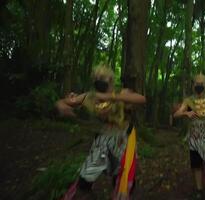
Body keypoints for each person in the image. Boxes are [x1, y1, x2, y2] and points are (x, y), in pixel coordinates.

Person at [56, 64, 146, 200]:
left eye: (103, 77)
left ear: (110, 80)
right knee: (85, 178)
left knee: (123, 181)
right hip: (103, 140)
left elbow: (141, 99)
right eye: (97, 77)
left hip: (124, 139)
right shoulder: (90, 96)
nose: (100, 80)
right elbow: (64, 102)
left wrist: (113, 97)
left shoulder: (122, 93)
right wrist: (61, 105)